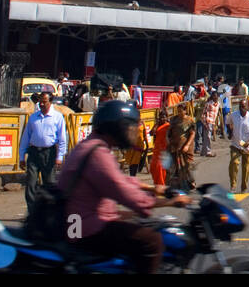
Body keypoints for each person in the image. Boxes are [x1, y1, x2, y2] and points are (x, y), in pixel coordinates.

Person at [58, 101, 188, 274]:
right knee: (152, 240)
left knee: (138, 223)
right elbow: (126, 194)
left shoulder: (93, 145)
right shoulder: (98, 153)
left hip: (81, 220)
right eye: (130, 127)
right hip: (82, 228)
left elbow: (116, 179)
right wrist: (171, 202)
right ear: (117, 128)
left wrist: (153, 188)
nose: (133, 132)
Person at [18, 90, 67, 213]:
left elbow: (62, 139)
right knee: (31, 184)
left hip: (49, 153)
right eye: (40, 102)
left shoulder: (57, 117)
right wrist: (22, 157)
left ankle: (50, 213)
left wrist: (60, 157)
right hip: (34, 153)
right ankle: (32, 212)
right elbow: (26, 137)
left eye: (44, 102)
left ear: (50, 102)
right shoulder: (33, 117)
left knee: (49, 184)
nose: (41, 104)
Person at [226, 98, 249, 192]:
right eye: (240, 107)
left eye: (243, 107)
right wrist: (230, 132)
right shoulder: (233, 115)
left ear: (248, 107)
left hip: (247, 146)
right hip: (236, 144)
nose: (241, 109)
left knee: (246, 167)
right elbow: (228, 123)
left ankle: (244, 187)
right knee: (234, 163)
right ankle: (233, 185)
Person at [168, 104, 196, 191]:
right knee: (178, 165)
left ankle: (192, 181)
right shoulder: (174, 120)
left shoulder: (190, 120)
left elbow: (192, 134)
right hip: (176, 146)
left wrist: (187, 145)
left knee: (188, 165)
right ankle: (182, 184)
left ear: (185, 111)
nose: (179, 113)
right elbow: (170, 132)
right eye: (178, 111)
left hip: (187, 147)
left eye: (181, 111)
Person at [150, 110, 172, 191]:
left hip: (164, 149)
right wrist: (156, 124)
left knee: (160, 168)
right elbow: (151, 133)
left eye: (164, 117)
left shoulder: (168, 126)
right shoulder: (158, 125)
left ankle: (161, 186)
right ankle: (157, 184)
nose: (162, 118)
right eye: (161, 117)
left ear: (167, 117)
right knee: (153, 168)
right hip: (156, 149)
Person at [198, 92, 218, 157]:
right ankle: (208, 152)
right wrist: (205, 123)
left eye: (216, 96)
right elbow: (203, 114)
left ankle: (203, 152)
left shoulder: (218, 104)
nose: (215, 97)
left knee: (206, 137)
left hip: (212, 122)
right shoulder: (208, 104)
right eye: (214, 96)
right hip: (207, 122)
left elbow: (216, 114)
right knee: (208, 137)